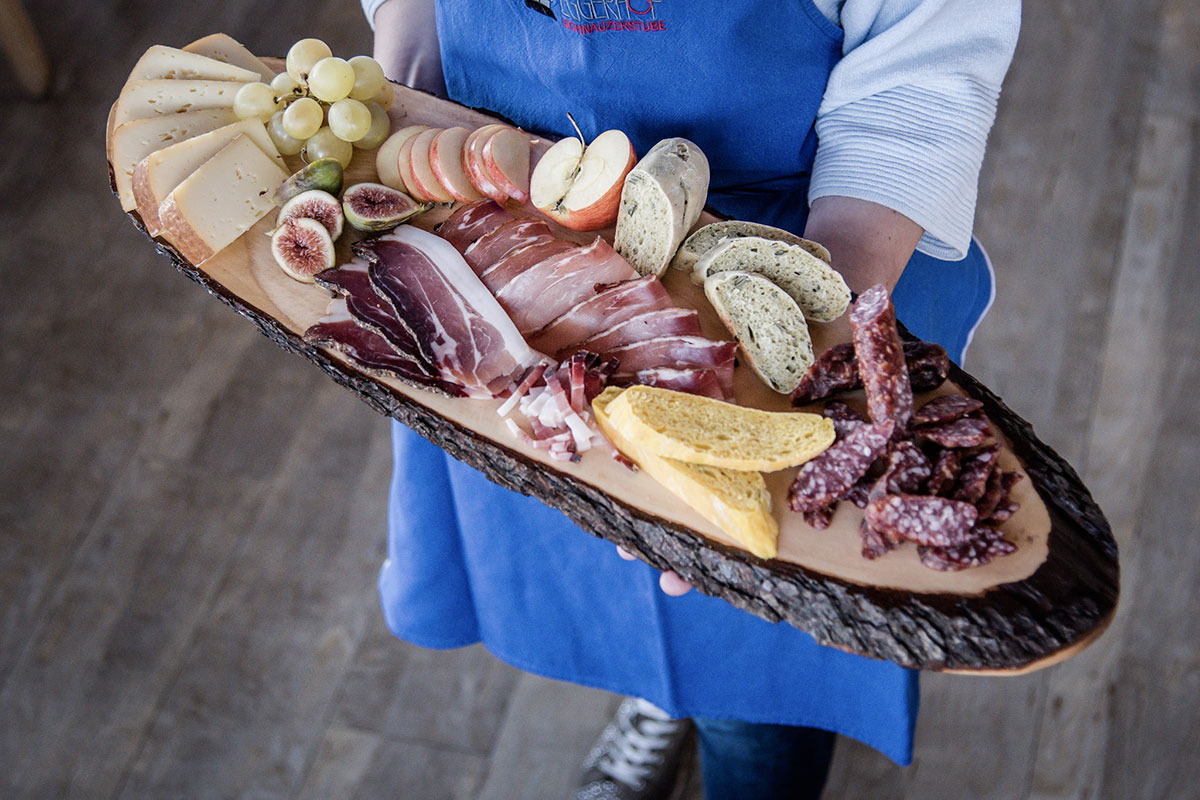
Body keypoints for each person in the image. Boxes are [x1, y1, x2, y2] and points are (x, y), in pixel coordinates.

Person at [362, 1, 1019, 797]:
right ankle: (656, 697)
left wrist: (806, 341)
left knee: (752, 652)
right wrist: (413, 97)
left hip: (794, 244)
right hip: (507, 236)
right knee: (594, 548)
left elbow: (920, 71)